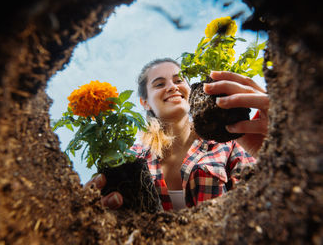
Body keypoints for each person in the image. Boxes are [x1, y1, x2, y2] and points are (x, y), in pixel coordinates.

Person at [85, 58, 269, 210]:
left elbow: (261, 203)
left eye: (179, 80)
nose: (172, 87)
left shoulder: (228, 143)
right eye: (159, 84)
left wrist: (272, 151)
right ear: (145, 102)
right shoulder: (129, 159)